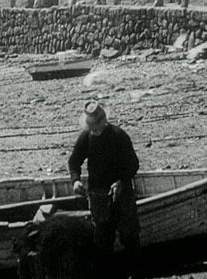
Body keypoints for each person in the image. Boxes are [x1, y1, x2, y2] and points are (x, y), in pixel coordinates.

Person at [68, 101, 143, 279]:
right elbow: (74, 162)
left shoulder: (118, 136)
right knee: (102, 240)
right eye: (91, 126)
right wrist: (75, 180)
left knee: (130, 236)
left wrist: (122, 181)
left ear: (103, 121)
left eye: (96, 125)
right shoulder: (86, 138)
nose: (93, 129)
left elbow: (133, 164)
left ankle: (136, 274)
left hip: (121, 192)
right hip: (97, 196)